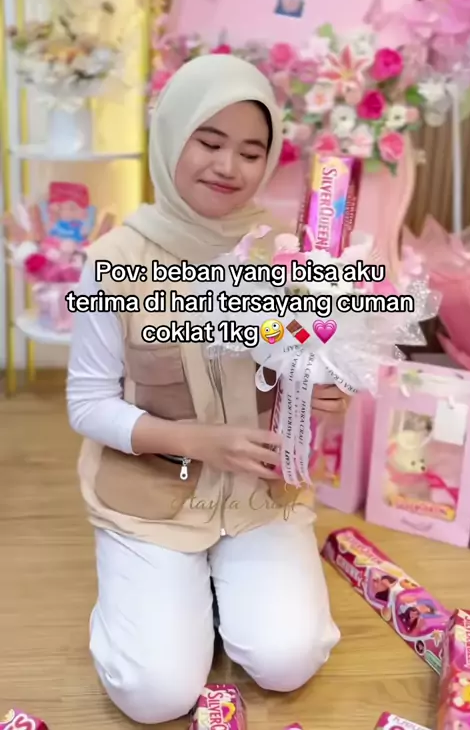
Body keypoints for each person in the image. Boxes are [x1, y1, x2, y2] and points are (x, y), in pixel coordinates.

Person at [67, 54, 347, 725]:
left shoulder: (283, 255)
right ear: (171, 138)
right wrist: (194, 440)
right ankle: (151, 592)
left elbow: (307, 367)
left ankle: (215, 593)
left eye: (251, 152)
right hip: (155, 498)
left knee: (289, 659)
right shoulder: (113, 263)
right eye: (209, 141)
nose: (229, 166)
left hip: (259, 497)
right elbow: (87, 404)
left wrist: (326, 391)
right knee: (155, 695)